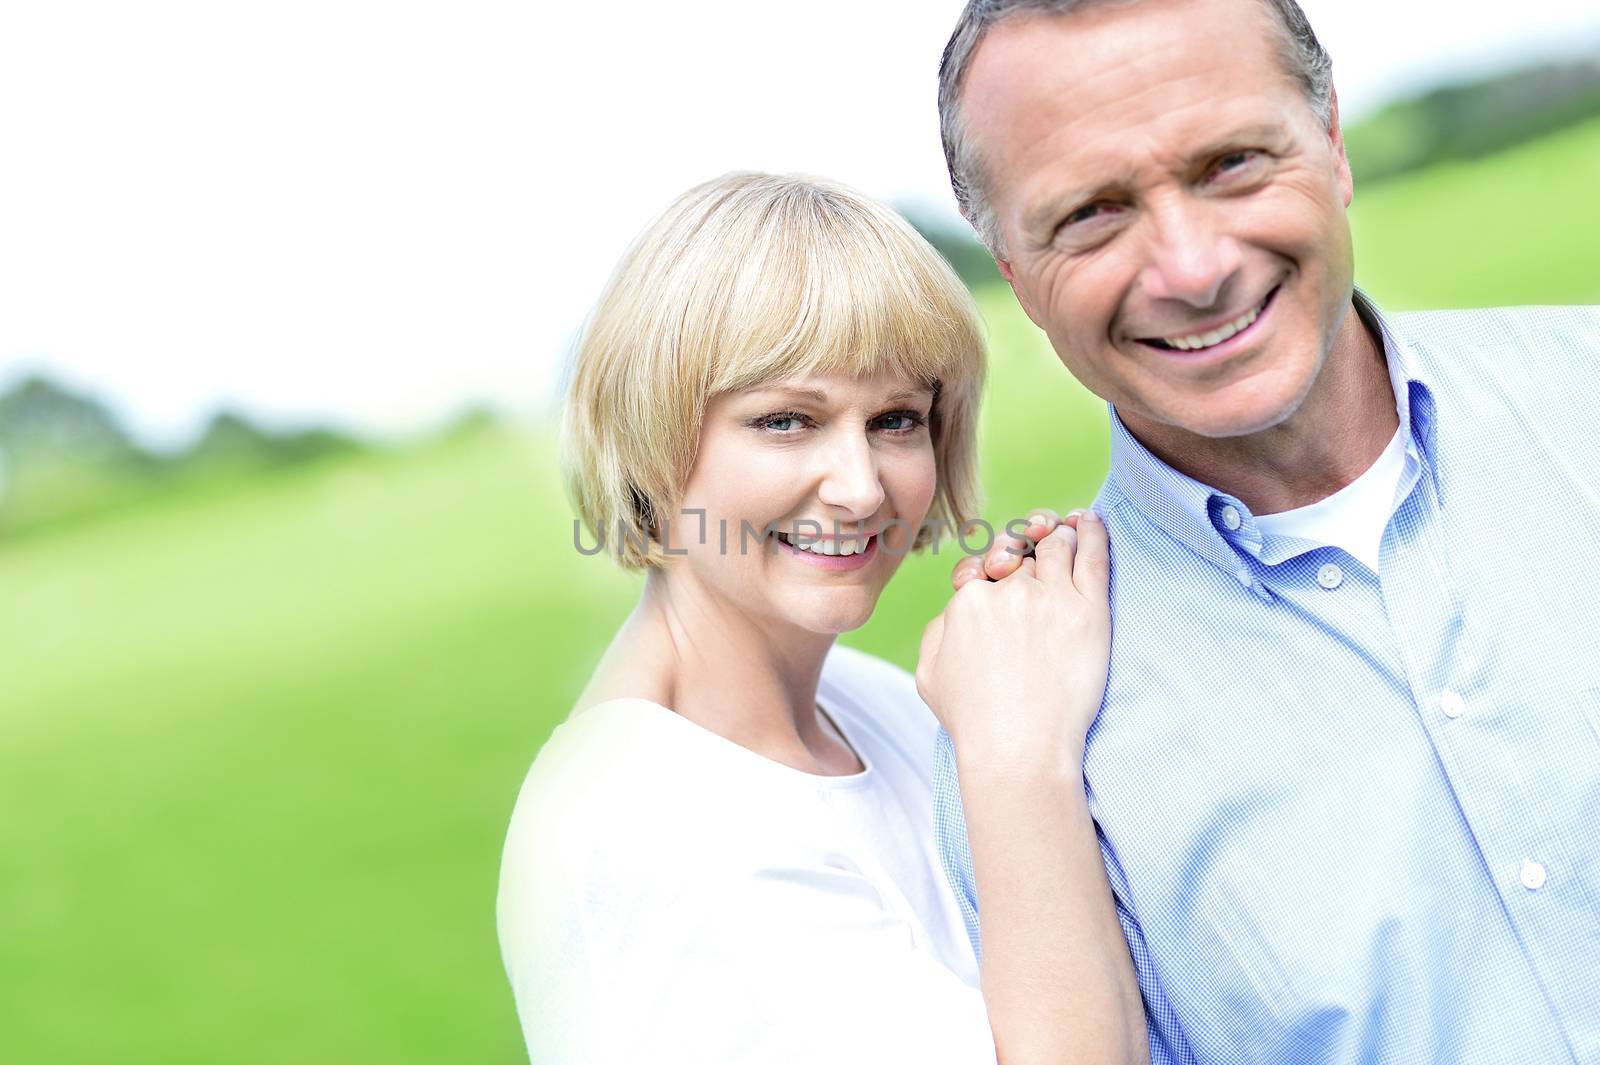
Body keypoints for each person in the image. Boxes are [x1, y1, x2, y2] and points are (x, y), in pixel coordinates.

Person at [928, 0, 1600, 1061]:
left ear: (1329, 143)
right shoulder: (1026, 740)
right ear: (1013, 272)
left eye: (1233, 162)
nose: (1192, 269)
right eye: (1092, 214)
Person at [496, 171, 1149, 1064]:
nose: (860, 485)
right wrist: (1019, 751)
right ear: (649, 437)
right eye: (786, 421)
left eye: (895, 419)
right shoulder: (656, 830)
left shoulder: (866, 702)